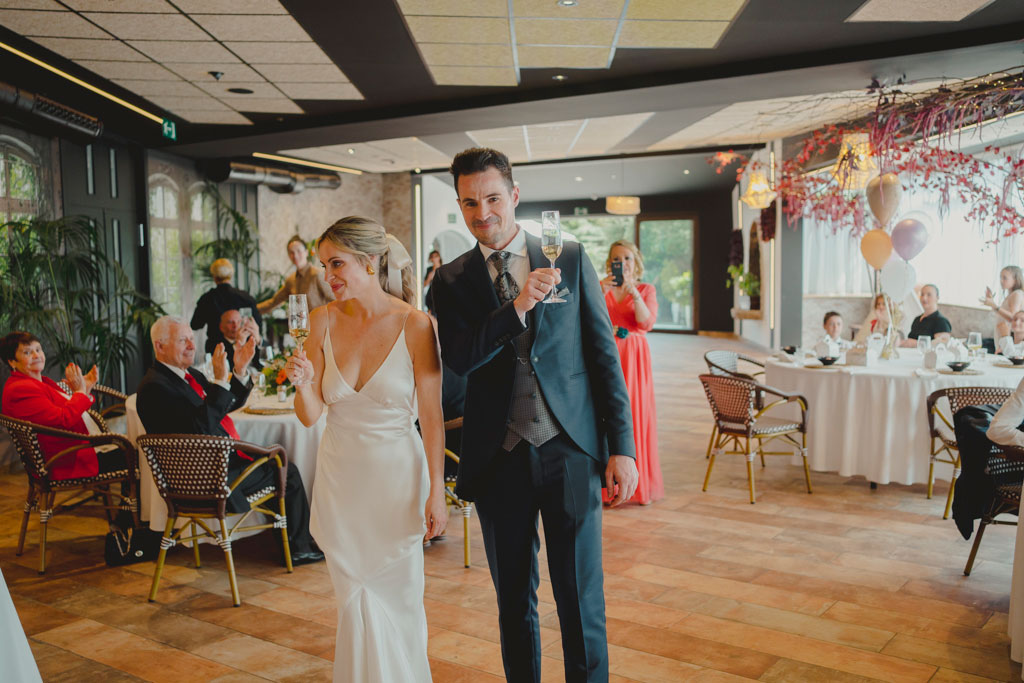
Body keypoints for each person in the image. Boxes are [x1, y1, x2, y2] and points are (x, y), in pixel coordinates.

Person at [430, 147, 637, 682]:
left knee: (580, 598)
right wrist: (516, 308)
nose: (483, 214)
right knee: (513, 606)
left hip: (570, 448)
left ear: (515, 196)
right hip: (499, 458)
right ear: (459, 204)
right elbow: (460, 358)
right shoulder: (450, 282)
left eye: (493, 199)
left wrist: (623, 449)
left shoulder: (565, 256)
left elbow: (601, 356)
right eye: (470, 202)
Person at [284, 216, 446, 681]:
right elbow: (311, 415)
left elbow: (431, 419)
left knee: (400, 598)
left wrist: (437, 491)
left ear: (370, 261)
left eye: (337, 264)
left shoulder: (416, 325)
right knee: (351, 596)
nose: (328, 276)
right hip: (341, 483)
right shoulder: (319, 321)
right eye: (323, 266)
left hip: (396, 482)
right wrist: (302, 384)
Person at [136, 316, 322, 566]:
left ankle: (292, 542)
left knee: (275, 462)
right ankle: (298, 548)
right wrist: (221, 381)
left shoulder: (186, 375)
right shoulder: (154, 388)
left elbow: (224, 407)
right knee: (284, 469)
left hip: (212, 468)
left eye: (192, 338)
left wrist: (239, 371)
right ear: (160, 346)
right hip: (204, 481)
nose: (192, 345)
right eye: (183, 340)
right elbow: (199, 428)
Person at [1, 331, 126, 479]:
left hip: (74, 449)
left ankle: (129, 498)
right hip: (67, 460)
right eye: (27, 352)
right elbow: (63, 419)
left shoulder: (39, 382)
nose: (36, 355)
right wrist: (80, 392)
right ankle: (132, 499)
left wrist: (84, 390)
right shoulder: (21, 390)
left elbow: (68, 411)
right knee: (140, 454)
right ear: (12, 361)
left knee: (134, 448)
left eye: (38, 349)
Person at [599, 240, 663, 506]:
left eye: (627, 258)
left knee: (633, 413)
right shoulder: (601, 287)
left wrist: (633, 292)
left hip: (634, 357)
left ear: (635, 262)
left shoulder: (646, 289)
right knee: (605, 413)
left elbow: (645, 322)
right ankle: (606, 485)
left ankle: (635, 485)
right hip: (606, 353)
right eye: (616, 258)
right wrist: (600, 290)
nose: (622, 263)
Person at [190, 258, 262, 354]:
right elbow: (257, 325)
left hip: (216, 349)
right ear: (231, 275)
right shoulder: (246, 297)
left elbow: (195, 325)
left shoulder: (207, 299)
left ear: (214, 277)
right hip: (245, 348)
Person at [257, 235, 334, 314]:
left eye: (298, 251)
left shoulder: (318, 275)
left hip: (322, 324)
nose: (295, 256)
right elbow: (273, 302)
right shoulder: (291, 280)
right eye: (291, 252)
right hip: (300, 325)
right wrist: (251, 309)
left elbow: (336, 300)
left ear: (306, 252)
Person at [982, 265, 1024, 339]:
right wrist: (991, 303)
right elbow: (1003, 313)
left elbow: (1012, 317)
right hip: (1002, 335)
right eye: (1000, 277)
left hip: (1006, 336)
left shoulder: (1016, 294)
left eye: (1005, 278)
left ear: (1015, 280)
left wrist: (994, 305)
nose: (1001, 281)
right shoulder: (1011, 295)